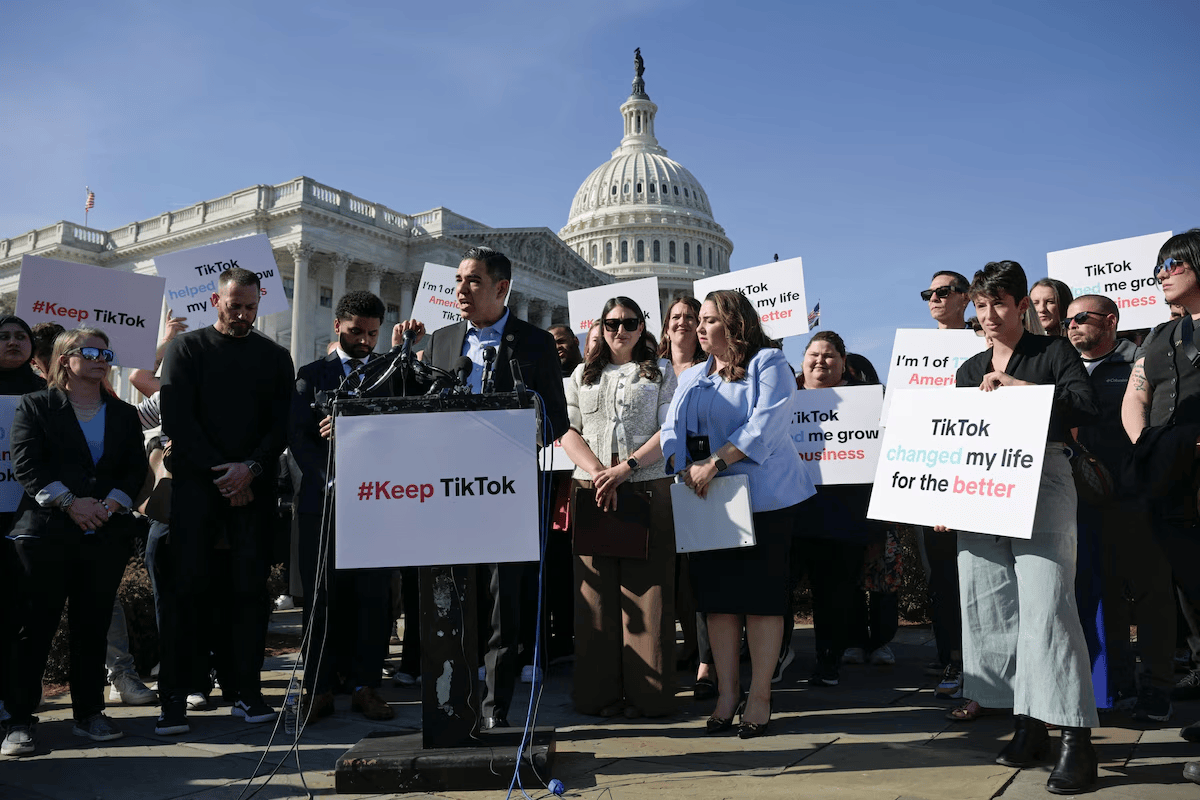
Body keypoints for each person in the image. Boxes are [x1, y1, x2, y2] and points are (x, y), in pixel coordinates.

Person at [393, 246, 568, 730]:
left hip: (506, 492)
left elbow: (556, 418)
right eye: (458, 281)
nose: (460, 291)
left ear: (501, 288)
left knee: (500, 605)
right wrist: (402, 357)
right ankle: (454, 703)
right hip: (447, 493)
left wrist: (513, 429)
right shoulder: (444, 341)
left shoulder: (532, 344)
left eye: (472, 282)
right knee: (450, 599)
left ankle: (496, 710)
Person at [948, 260, 1101, 794]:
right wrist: (944, 495)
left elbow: (1087, 405)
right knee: (995, 610)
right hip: (984, 495)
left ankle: (1076, 742)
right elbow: (956, 440)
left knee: (1049, 609)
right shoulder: (968, 370)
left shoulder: (1052, 353)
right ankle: (1029, 723)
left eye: (999, 305)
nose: (989, 316)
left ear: (1019, 306)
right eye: (981, 307)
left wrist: (1018, 389)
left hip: (1045, 482)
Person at [661, 289, 815, 738]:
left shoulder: (768, 363)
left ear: (734, 322)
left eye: (708, 320)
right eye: (698, 320)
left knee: (763, 603)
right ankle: (727, 695)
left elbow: (765, 424)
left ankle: (761, 695)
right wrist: (683, 464)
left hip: (765, 501)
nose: (699, 327)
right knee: (719, 603)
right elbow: (672, 429)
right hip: (711, 502)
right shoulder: (693, 377)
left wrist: (716, 462)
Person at [156, 267, 294, 736]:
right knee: (186, 592)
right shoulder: (186, 348)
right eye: (234, 305)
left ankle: (247, 693)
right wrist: (226, 475)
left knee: (250, 596)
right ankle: (174, 698)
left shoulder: (275, 357)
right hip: (198, 491)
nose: (242, 314)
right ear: (217, 301)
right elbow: (178, 420)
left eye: (250, 306)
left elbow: (280, 425)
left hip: (253, 493)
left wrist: (249, 470)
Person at [1, 328, 148, 756]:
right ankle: (19, 720)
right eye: (91, 352)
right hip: (47, 532)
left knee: (92, 626)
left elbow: (134, 468)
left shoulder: (121, 414)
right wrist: (70, 503)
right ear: (65, 359)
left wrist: (110, 505)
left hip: (105, 531)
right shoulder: (37, 404)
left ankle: (89, 715)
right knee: (34, 629)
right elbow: (28, 462)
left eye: (106, 352)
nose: (102, 358)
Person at [561, 297, 678, 718]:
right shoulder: (580, 375)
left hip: (644, 486)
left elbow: (670, 430)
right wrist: (597, 472)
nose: (620, 331)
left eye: (629, 323)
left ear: (642, 327)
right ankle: (598, 695)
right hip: (593, 489)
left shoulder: (661, 372)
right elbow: (567, 430)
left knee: (648, 593)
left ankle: (651, 696)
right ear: (601, 327)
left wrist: (625, 469)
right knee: (594, 597)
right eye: (611, 324)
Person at [1066, 294, 1174, 721]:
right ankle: (1114, 686)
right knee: (1101, 596)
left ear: (1110, 321)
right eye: (1068, 319)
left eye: (1081, 317)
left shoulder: (1141, 363)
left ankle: (1157, 688)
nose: (1071, 324)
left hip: (1136, 499)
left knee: (1151, 595)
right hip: (1082, 504)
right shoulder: (1063, 368)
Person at [290, 291, 394, 723]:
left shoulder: (390, 374)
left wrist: (361, 427)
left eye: (373, 333)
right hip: (323, 503)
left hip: (377, 505)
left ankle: (366, 686)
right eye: (357, 332)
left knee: (373, 599)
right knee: (322, 599)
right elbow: (299, 438)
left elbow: (402, 433)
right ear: (338, 327)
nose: (366, 341)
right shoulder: (311, 375)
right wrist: (329, 479)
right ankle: (318, 687)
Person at [1120, 229, 1200, 784]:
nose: (1161, 274)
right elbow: (1136, 395)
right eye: (1157, 268)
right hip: (1167, 483)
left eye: (1171, 263)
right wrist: (1145, 446)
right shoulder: (1161, 335)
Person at [788, 332, 879, 685]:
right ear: (803, 360)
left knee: (834, 595)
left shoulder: (865, 400)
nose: (820, 361)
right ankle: (777, 657)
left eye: (829, 356)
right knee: (782, 587)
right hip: (792, 511)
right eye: (814, 354)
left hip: (842, 515)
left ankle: (829, 660)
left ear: (843, 362)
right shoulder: (782, 400)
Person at [919, 272, 971, 698]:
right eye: (929, 294)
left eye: (943, 292)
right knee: (943, 576)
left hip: (973, 467)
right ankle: (950, 656)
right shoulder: (916, 353)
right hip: (931, 473)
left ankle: (979, 659)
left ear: (965, 298)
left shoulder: (982, 343)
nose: (934, 299)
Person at [0, 315, 45, 731]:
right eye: (5, 336)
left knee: (22, 617)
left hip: (27, 521)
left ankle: (18, 706)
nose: (14, 342)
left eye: (21, 336)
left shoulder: (46, 395)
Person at [657, 297, 705, 676]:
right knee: (664, 572)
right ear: (665, 324)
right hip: (654, 477)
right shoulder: (652, 370)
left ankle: (701, 651)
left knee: (695, 573)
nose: (683, 322)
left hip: (696, 477)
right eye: (676, 317)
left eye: (691, 316)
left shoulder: (711, 369)